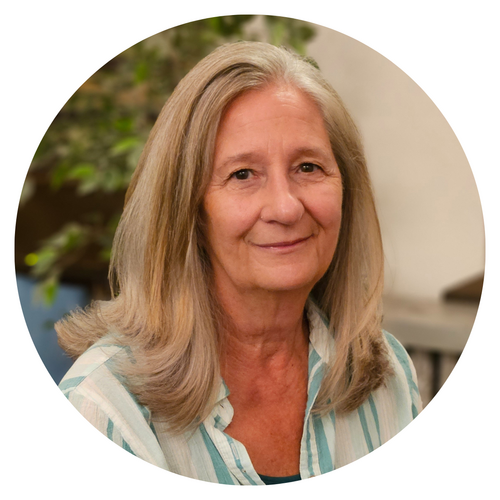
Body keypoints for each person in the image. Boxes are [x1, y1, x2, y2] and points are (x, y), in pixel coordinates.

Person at [57, 41, 421, 485]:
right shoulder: (103, 411)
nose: (285, 208)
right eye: (242, 174)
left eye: (308, 167)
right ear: (188, 210)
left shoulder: (388, 374)